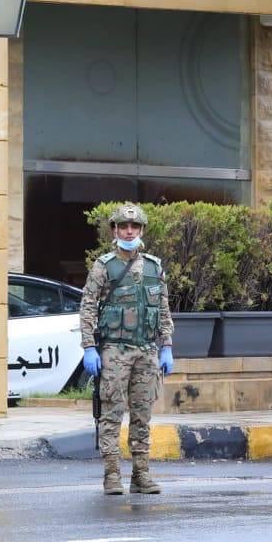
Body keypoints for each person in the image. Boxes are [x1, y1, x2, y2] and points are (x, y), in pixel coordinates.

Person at [79, 202, 175, 496]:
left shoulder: (153, 267)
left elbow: (162, 308)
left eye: (134, 227)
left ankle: (140, 475)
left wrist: (166, 345)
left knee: (142, 415)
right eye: (123, 226)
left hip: (146, 351)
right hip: (115, 351)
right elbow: (87, 307)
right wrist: (89, 347)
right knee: (111, 413)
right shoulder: (104, 266)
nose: (129, 231)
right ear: (115, 230)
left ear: (142, 230)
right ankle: (111, 476)